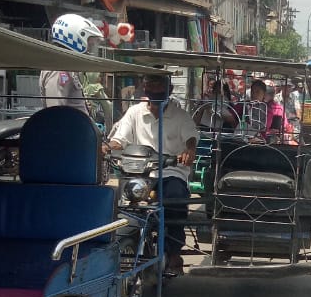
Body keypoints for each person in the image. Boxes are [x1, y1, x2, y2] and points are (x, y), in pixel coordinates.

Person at [107, 73, 199, 276]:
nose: (155, 95)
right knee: (122, 205)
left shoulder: (180, 115)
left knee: (175, 199)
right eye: (151, 89)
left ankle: (174, 251)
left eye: (160, 90)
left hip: (170, 172)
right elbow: (119, 139)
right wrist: (107, 147)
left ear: (170, 91)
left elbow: (191, 138)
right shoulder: (134, 113)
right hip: (140, 173)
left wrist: (189, 151)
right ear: (145, 90)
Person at [40, 14, 105, 119]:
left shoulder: (66, 67)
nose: (89, 50)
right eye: (89, 44)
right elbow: (55, 114)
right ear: (74, 40)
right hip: (70, 134)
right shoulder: (58, 70)